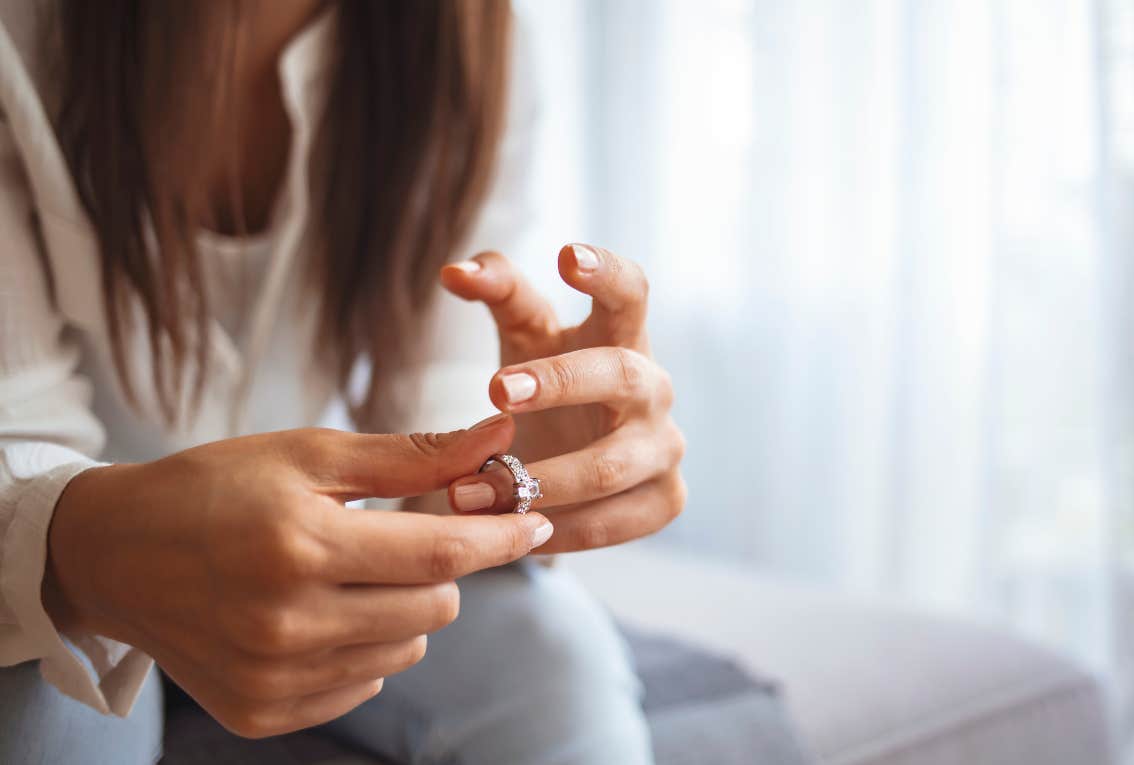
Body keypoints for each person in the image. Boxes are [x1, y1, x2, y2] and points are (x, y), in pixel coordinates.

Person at [0, 1, 686, 762]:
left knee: (560, 667)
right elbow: (14, 436)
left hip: (301, 555)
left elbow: (433, 430)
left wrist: (513, 462)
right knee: (48, 715)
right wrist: (85, 554)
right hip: (84, 558)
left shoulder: (469, 39)